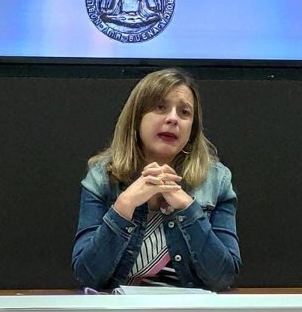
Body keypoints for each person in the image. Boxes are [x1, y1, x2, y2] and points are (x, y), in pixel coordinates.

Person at [73, 68, 240, 291]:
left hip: (192, 309)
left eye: (184, 112)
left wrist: (187, 208)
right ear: (136, 118)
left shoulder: (216, 180)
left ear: (192, 129)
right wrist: (124, 205)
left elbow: (223, 277)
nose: (173, 119)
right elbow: (87, 275)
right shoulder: (102, 177)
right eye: (160, 107)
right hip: (120, 309)